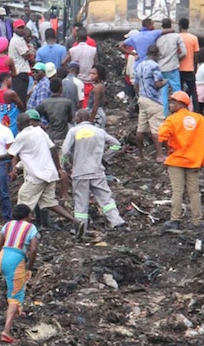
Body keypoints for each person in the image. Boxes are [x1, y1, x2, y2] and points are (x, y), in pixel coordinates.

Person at [62, 109, 127, 240]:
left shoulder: (73, 131)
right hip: (97, 170)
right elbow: (116, 145)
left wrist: (65, 166)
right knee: (105, 198)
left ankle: (81, 228)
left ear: (79, 118)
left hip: (80, 172)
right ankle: (117, 221)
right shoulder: (99, 131)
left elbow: (64, 151)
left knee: (81, 202)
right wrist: (105, 157)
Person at [9, 110, 76, 225]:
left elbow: (10, 154)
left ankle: (22, 229)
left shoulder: (22, 136)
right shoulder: (40, 131)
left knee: (23, 200)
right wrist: (58, 169)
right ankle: (75, 221)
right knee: (49, 202)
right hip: (50, 174)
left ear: (18, 124)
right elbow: (52, 149)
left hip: (37, 176)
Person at [158, 92, 204, 230]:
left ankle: (175, 220)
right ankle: (197, 221)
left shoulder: (172, 120)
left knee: (177, 191)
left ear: (180, 103)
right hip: (194, 160)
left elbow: (161, 136)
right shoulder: (199, 118)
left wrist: (166, 150)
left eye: (172, 102)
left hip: (176, 160)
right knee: (194, 192)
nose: (170, 105)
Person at [0, 204, 39, 344]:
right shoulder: (30, 228)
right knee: (15, 295)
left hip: (2, 257)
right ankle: (6, 332)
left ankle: (17, 310)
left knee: (12, 286)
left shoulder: (8, 225)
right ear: (27, 216)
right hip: (15, 260)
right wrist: (30, 267)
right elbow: (33, 250)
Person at [134, 45, 167, 161]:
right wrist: (165, 81)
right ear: (156, 54)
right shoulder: (155, 66)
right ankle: (159, 155)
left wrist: (139, 95)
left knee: (141, 128)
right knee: (156, 128)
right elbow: (157, 84)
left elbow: (136, 84)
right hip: (154, 100)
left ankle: (140, 155)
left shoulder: (139, 65)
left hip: (142, 99)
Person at [155, 18, 187, 117]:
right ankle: (179, 114)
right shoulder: (176, 37)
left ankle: (164, 115)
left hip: (161, 68)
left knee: (163, 94)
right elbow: (184, 52)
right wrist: (178, 59)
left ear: (162, 26)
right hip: (173, 67)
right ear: (171, 26)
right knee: (177, 92)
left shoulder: (158, 39)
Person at [63, 29, 98, 107]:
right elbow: (96, 66)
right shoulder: (93, 50)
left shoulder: (72, 50)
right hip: (89, 83)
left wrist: (69, 71)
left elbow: (63, 63)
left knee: (76, 105)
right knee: (88, 106)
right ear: (86, 38)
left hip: (76, 82)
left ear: (76, 38)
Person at [37, 77, 75, 143]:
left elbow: (34, 115)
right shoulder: (67, 102)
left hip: (49, 137)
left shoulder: (44, 103)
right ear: (61, 88)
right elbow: (70, 119)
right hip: (63, 137)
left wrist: (43, 126)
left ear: (50, 88)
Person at [178, 18, 201, 111]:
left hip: (178, 69)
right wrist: (195, 67)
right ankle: (196, 111)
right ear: (188, 25)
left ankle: (179, 109)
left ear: (179, 25)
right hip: (189, 69)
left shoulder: (177, 37)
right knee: (193, 91)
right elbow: (196, 54)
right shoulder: (193, 38)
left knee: (179, 91)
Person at [8, 20, 33, 101]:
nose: (21, 29)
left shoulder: (18, 39)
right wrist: (31, 52)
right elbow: (27, 54)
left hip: (19, 71)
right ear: (14, 29)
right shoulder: (17, 40)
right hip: (19, 72)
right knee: (20, 97)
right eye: (19, 28)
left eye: (22, 27)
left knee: (21, 95)